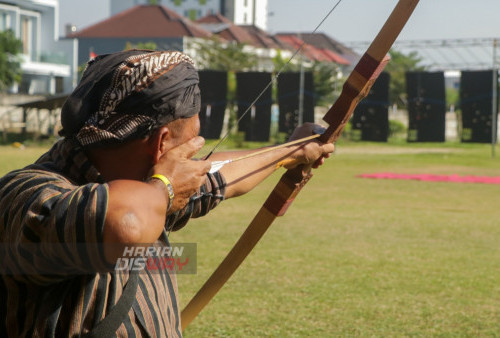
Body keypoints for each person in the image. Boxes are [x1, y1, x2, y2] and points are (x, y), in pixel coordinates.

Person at [0, 50, 334, 337]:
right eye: (192, 141)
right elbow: (124, 223)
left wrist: (289, 151)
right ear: (161, 143)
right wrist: (167, 186)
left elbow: (222, 175)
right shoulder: (28, 194)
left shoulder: (148, 188)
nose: (194, 154)